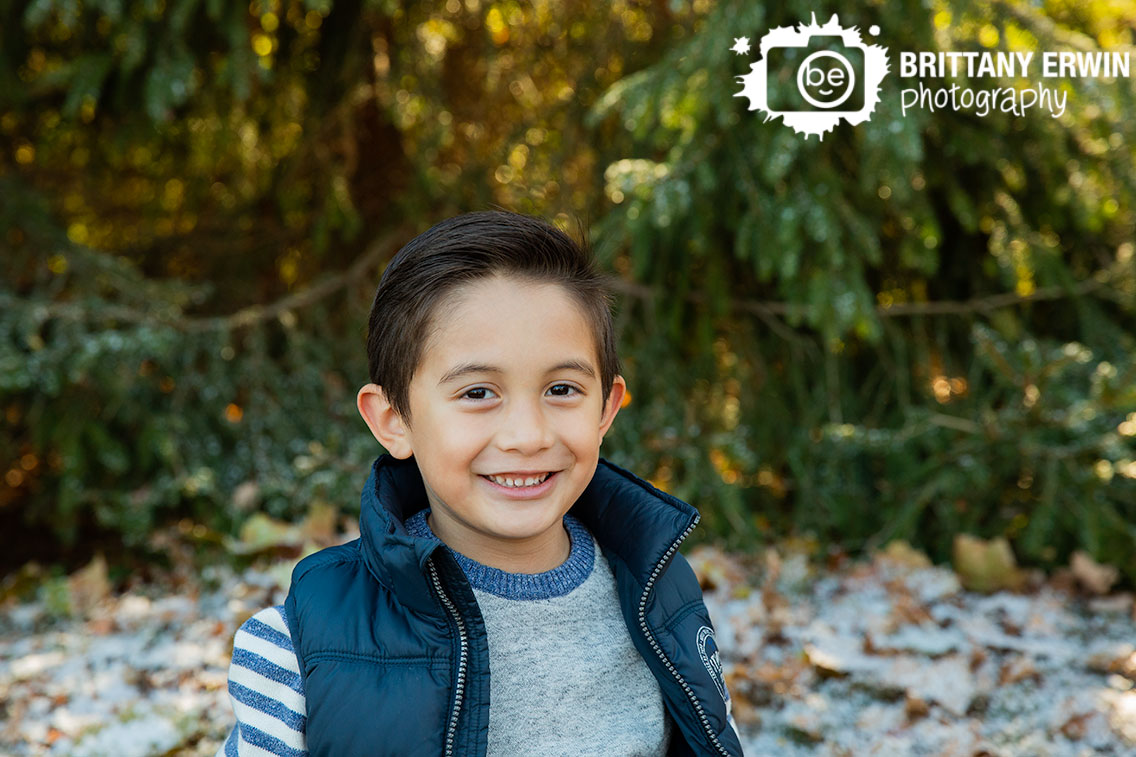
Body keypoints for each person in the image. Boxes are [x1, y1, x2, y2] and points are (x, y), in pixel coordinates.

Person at [216, 210, 743, 756]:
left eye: (562, 390)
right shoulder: (303, 645)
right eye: (477, 393)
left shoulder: (661, 599)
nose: (527, 435)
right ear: (393, 419)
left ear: (606, 410)